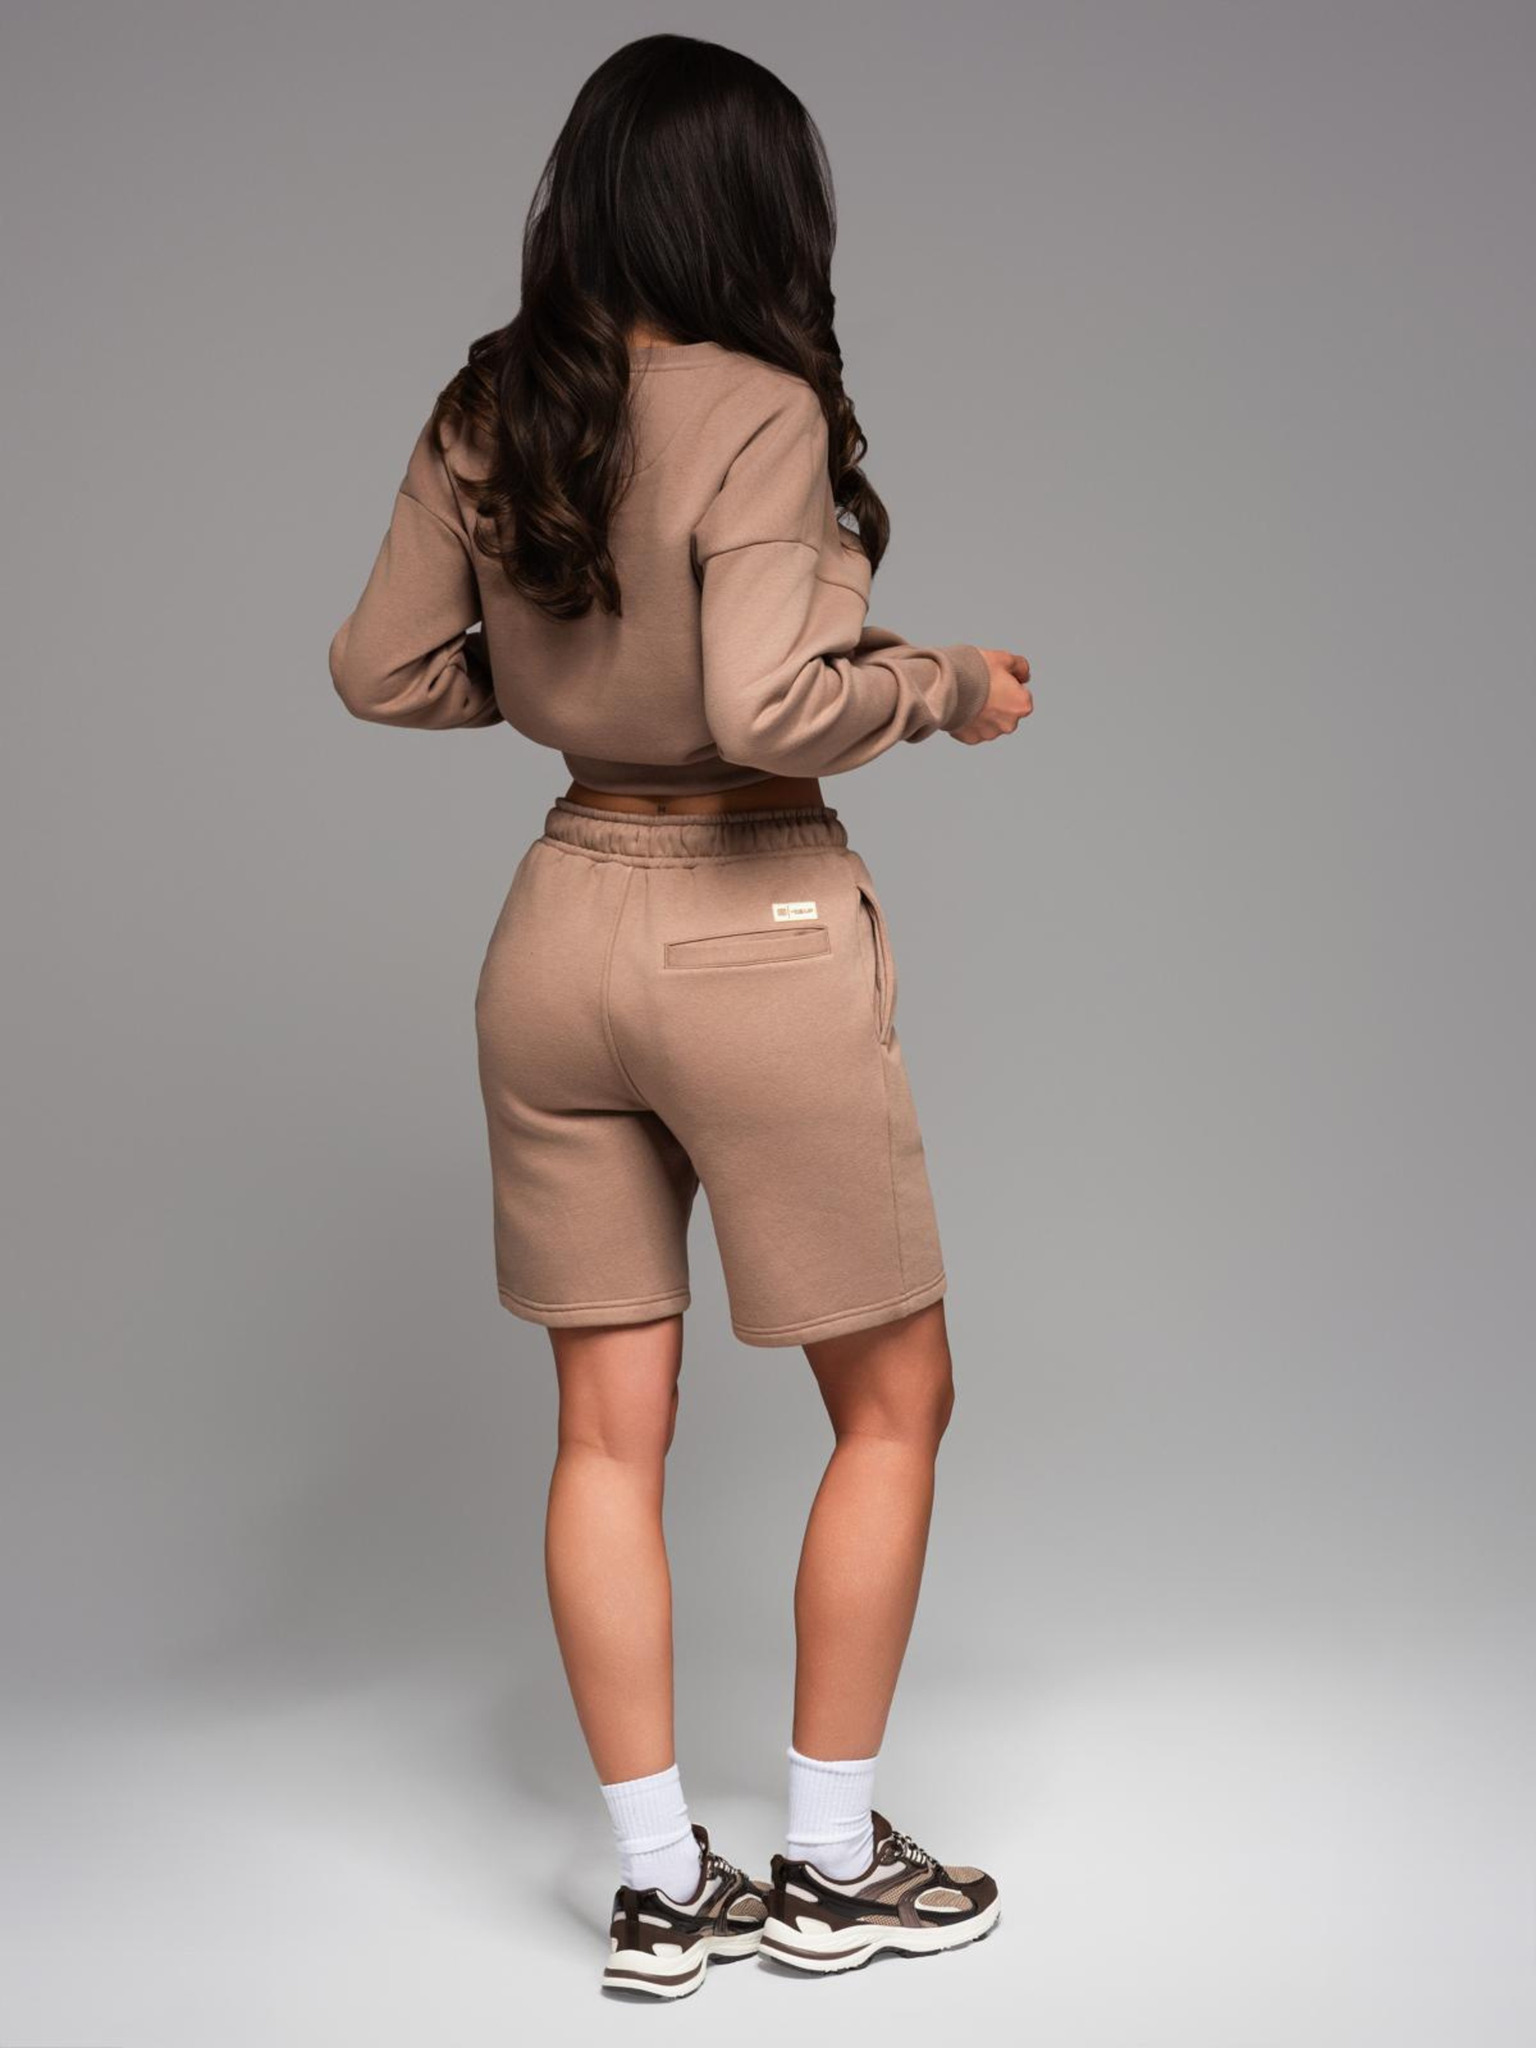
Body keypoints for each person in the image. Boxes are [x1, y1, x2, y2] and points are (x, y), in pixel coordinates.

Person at [328, 31, 1032, 2000]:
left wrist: (567, 684)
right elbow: (767, 706)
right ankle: (830, 1862)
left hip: (557, 927)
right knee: (896, 1399)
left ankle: (660, 1888)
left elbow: (383, 667)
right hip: (751, 917)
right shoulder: (764, 404)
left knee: (604, 1433)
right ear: (758, 212)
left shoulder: (495, 402)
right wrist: (947, 685)